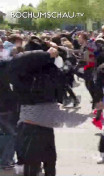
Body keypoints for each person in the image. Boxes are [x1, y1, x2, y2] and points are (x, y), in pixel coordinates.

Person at [8, 46, 63, 176]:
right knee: (42, 158)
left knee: (40, 158)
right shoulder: (32, 76)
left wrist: (47, 56)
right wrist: (46, 55)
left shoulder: (24, 75)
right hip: (38, 121)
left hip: (35, 121)